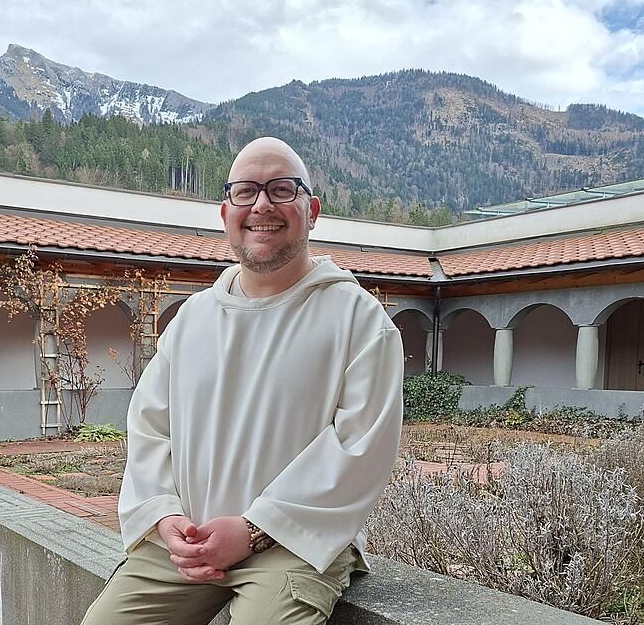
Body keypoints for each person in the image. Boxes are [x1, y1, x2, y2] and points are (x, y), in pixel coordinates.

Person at [80, 137, 404, 624]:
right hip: (190, 538)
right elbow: (150, 425)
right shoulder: (193, 319)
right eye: (246, 192)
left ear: (312, 210)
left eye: (281, 189)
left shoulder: (358, 319)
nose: (262, 206)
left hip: (294, 543)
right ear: (225, 212)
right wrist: (163, 515)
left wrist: (254, 530)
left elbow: (360, 447)